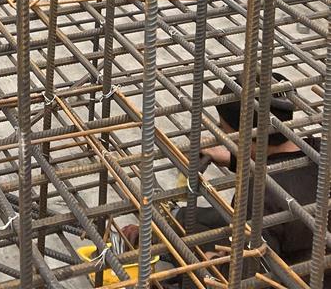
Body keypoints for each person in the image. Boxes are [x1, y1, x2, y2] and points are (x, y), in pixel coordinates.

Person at [122, 77, 330, 286]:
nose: (223, 138)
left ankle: (162, 244)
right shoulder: (318, 148)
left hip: (289, 277)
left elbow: (250, 277)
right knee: (195, 219)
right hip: (309, 256)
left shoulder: (260, 194)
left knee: (194, 252)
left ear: (249, 135)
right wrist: (234, 158)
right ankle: (170, 225)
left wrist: (215, 264)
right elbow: (285, 168)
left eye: (226, 132)